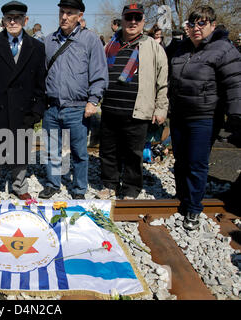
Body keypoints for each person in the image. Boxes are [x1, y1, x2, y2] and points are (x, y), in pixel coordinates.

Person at [168, 6, 241, 230]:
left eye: (202, 23)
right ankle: (182, 198)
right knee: (180, 161)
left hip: (205, 116)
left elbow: (235, 81)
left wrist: (236, 113)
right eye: (193, 23)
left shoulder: (223, 49)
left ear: (212, 24)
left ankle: (193, 208)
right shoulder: (181, 48)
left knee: (197, 163)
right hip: (179, 115)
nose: (196, 28)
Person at [97, 3, 169, 200]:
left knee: (133, 152)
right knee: (108, 151)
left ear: (143, 21)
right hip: (110, 109)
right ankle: (109, 184)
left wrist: (161, 108)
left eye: (137, 18)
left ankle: (131, 188)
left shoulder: (153, 47)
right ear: (122, 20)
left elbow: (163, 82)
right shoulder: (110, 45)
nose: (133, 22)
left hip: (137, 111)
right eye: (129, 18)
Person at [0, 1, 46, 201]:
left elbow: (40, 82)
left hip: (23, 107)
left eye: (17, 18)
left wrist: (37, 110)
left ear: (26, 20)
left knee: (20, 150)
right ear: (4, 20)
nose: (13, 22)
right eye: (9, 18)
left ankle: (19, 186)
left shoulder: (37, 47)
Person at [39, 0, 108, 200]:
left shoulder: (90, 40)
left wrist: (93, 100)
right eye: (62, 12)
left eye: (70, 13)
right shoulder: (49, 41)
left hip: (77, 108)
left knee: (79, 153)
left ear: (80, 16)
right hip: (51, 107)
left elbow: (99, 73)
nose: (64, 17)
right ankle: (53, 183)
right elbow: (42, 72)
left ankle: (79, 189)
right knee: (52, 150)